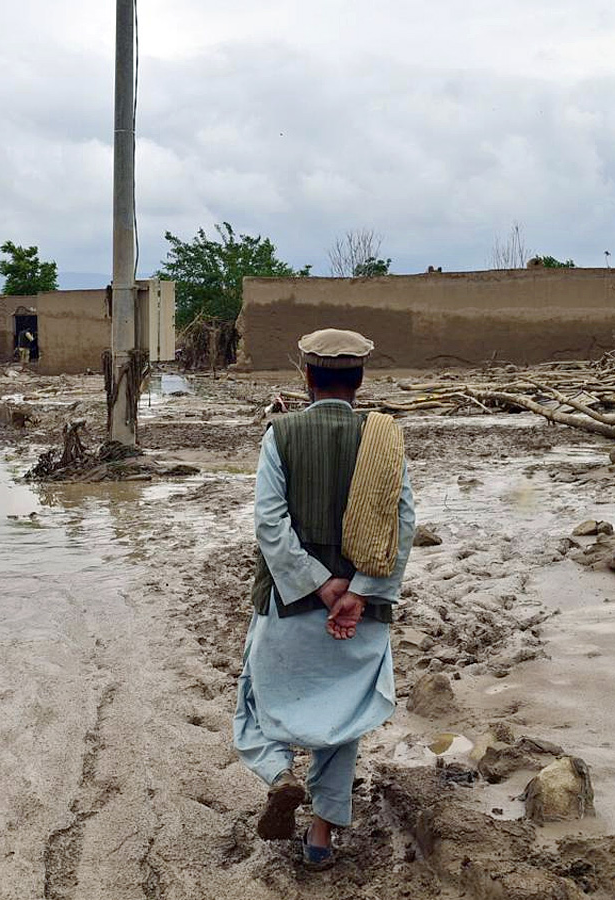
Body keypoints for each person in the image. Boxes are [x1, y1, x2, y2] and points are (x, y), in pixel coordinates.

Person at [235, 328, 415, 870]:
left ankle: (279, 775)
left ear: (307, 377)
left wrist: (317, 583)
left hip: (289, 603)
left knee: (254, 699)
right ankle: (319, 837)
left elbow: (270, 522)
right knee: (343, 719)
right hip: (361, 614)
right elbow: (401, 524)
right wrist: (358, 592)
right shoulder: (384, 438)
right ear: (359, 382)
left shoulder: (281, 434)